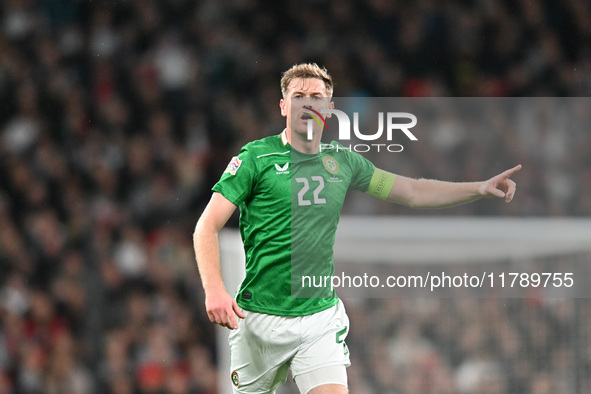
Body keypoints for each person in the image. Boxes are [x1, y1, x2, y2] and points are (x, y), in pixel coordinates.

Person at [193, 63, 521, 394]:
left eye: (316, 97)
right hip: (259, 319)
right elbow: (206, 226)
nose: (307, 103)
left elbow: (413, 191)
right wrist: (214, 289)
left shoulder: (344, 162)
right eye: (298, 96)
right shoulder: (256, 159)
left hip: (317, 317)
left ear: (329, 108)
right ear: (283, 106)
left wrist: (477, 187)